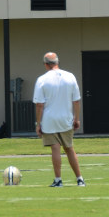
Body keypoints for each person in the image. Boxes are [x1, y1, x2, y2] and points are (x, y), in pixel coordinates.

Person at [33, 51, 85, 187]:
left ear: (45, 64)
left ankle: (58, 180)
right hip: (66, 118)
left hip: (49, 120)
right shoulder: (70, 76)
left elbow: (39, 105)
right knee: (69, 148)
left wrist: (38, 124)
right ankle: (80, 179)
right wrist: (77, 118)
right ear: (57, 62)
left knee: (55, 148)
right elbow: (76, 101)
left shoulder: (42, 79)